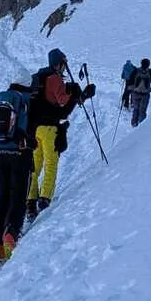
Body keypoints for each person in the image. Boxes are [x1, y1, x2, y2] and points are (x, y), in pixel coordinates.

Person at [26, 48, 94, 220]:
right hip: (49, 128)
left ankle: (30, 201)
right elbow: (62, 102)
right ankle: (44, 198)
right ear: (59, 63)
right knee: (50, 163)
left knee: (35, 165)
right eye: (64, 63)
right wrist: (76, 93)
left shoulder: (38, 78)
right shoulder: (54, 78)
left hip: (34, 129)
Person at [0, 77, 34, 263]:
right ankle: (11, 233)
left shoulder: (0, 100)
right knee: (18, 196)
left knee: (2, 196)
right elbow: (28, 130)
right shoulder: (24, 101)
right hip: (19, 154)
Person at [126, 58, 151, 127]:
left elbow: (129, 80)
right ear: (148, 64)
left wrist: (129, 90)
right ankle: (142, 126)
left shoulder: (136, 71)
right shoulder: (150, 71)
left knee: (136, 109)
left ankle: (134, 123)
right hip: (145, 95)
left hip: (135, 93)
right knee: (142, 111)